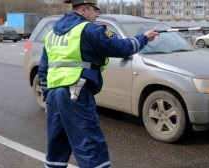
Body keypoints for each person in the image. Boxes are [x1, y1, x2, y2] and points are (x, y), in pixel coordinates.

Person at [38, 0, 159, 167]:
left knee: (57, 144)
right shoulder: (88, 29)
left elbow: (43, 69)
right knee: (90, 145)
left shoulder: (52, 33)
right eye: (94, 10)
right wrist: (145, 37)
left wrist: (47, 99)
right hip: (76, 92)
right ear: (83, 9)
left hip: (53, 95)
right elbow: (122, 47)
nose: (97, 14)